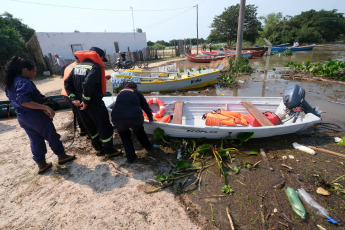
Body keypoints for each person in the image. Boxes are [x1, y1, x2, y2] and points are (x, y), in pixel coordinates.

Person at [3, 56, 76, 174]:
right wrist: (45, 107)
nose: (35, 73)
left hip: (23, 117)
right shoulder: (24, 82)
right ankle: (62, 156)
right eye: (34, 71)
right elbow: (24, 101)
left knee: (35, 140)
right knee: (51, 135)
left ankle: (42, 163)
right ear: (25, 70)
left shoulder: (9, 83)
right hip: (35, 116)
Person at [64, 47, 121, 158]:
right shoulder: (95, 67)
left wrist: (73, 99)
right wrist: (86, 100)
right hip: (93, 104)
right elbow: (87, 83)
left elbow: (67, 82)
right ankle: (109, 150)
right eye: (102, 58)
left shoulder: (77, 66)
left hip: (79, 105)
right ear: (98, 56)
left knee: (90, 127)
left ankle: (98, 149)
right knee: (104, 126)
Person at [111, 81, 156, 163]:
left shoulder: (120, 94)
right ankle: (149, 148)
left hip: (117, 118)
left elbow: (115, 106)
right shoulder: (137, 92)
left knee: (125, 137)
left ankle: (130, 158)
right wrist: (150, 118)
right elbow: (145, 107)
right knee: (140, 133)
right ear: (135, 88)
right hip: (134, 117)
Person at [61, 56, 87, 136]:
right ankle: (87, 131)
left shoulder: (69, 66)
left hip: (67, 93)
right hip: (72, 94)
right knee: (82, 113)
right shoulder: (78, 68)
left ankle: (83, 130)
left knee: (78, 113)